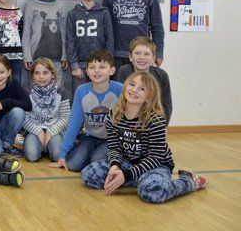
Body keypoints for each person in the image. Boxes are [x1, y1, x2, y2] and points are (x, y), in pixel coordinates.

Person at [80, 72, 207, 203]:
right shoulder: (114, 114)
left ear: (149, 97)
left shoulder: (155, 120)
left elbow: (156, 157)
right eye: (132, 84)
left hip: (156, 165)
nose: (134, 90)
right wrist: (115, 166)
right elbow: (114, 147)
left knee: (152, 193)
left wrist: (126, 175)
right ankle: (140, 180)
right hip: (127, 163)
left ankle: (189, 182)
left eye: (142, 88)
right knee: (88, 175)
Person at [51, 49, 123, 172]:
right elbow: (74, 123)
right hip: (89, 136)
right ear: (87, 71)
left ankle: (98, 155)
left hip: (111, 139)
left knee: (96, 163)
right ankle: (81, 147)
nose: (96, 71)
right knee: (73, 165)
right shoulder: (81, 91)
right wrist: (62, 154)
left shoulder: (120, 89)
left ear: (112, 70)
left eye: (102, 67)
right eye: (92, 67)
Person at [102, 0, 164, 69]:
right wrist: (105, 51)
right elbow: (103, 27)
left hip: (141, 54)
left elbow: (157, 27)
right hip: (115, 53)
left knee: (139, 80)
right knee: (118, 80)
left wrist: (158, 52)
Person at [65, 0, 114, 96]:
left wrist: (107, 63)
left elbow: (110, 39)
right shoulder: (72, 14)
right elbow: (70, 40)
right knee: (80, 96)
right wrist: (74, 65)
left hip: (100, 64)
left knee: (100, 95)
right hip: (80, 65)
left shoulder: (104, 12)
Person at [22, 0, 68, 85]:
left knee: (57, 90)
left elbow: (63, 33)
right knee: (36, 91)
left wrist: (64, 55)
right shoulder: (31, 5)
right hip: (35, 58)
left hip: (56, 59)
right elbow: (26, 32)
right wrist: (27, 56)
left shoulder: (59, 5)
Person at [22, 58, 70, 162]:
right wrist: (39, 131)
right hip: (34, 129)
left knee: (58, 156)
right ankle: (41, 147)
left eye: (45, 73)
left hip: (54, 129)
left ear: (52, 74)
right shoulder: (27, 91)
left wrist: (51, 132)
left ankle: (48, 148)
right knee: (32, 156)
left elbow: (65, 118)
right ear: (33, 76)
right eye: (37, 73)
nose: (41, 76)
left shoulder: (61, 91)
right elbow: (24, 119)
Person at [116, 36, 172, 124]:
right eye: (137, 53)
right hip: (128, 120)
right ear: (130, 56)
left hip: (153, 121)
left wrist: (162, 125)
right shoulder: (124, 71)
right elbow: (120, 98)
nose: (142, 57)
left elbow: (166, 104)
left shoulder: (162, 75)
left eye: (146, 54)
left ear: (153, 58)